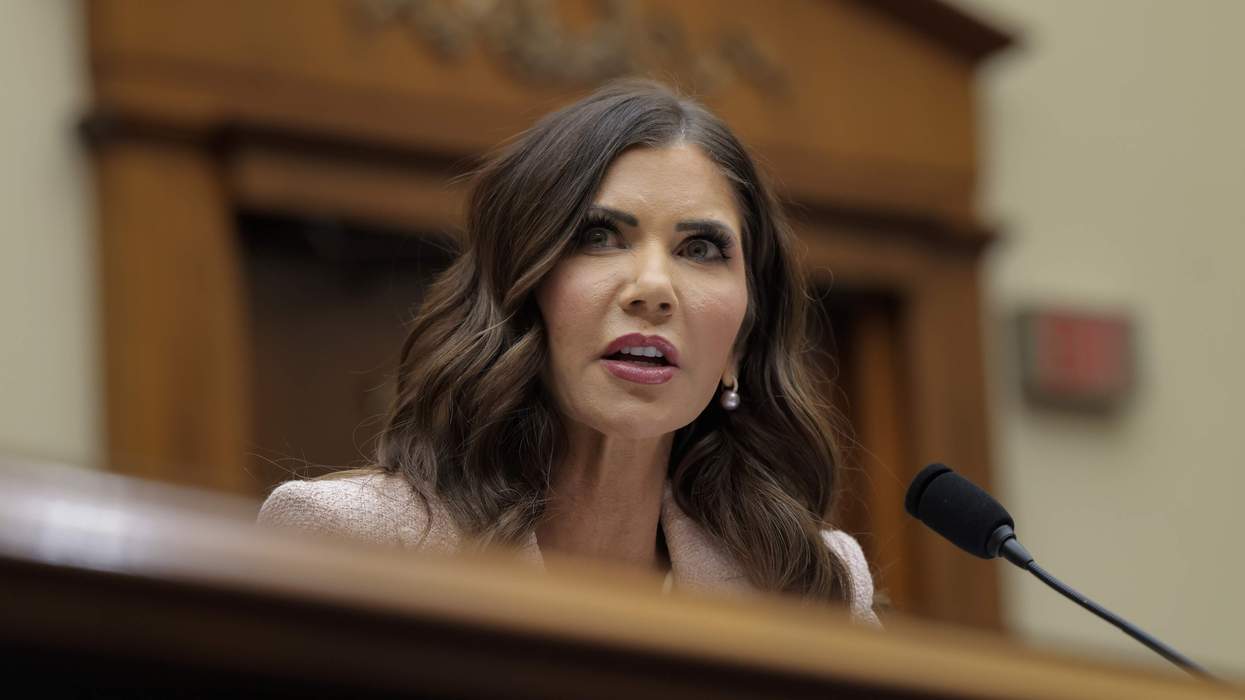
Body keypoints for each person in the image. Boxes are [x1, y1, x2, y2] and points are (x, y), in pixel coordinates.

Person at [259, 79, 879, 625]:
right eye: (599, 236)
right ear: (519, 294)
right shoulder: (354, 544)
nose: (654, 289)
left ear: (739, 343)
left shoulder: (808, 588)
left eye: (701, 249)